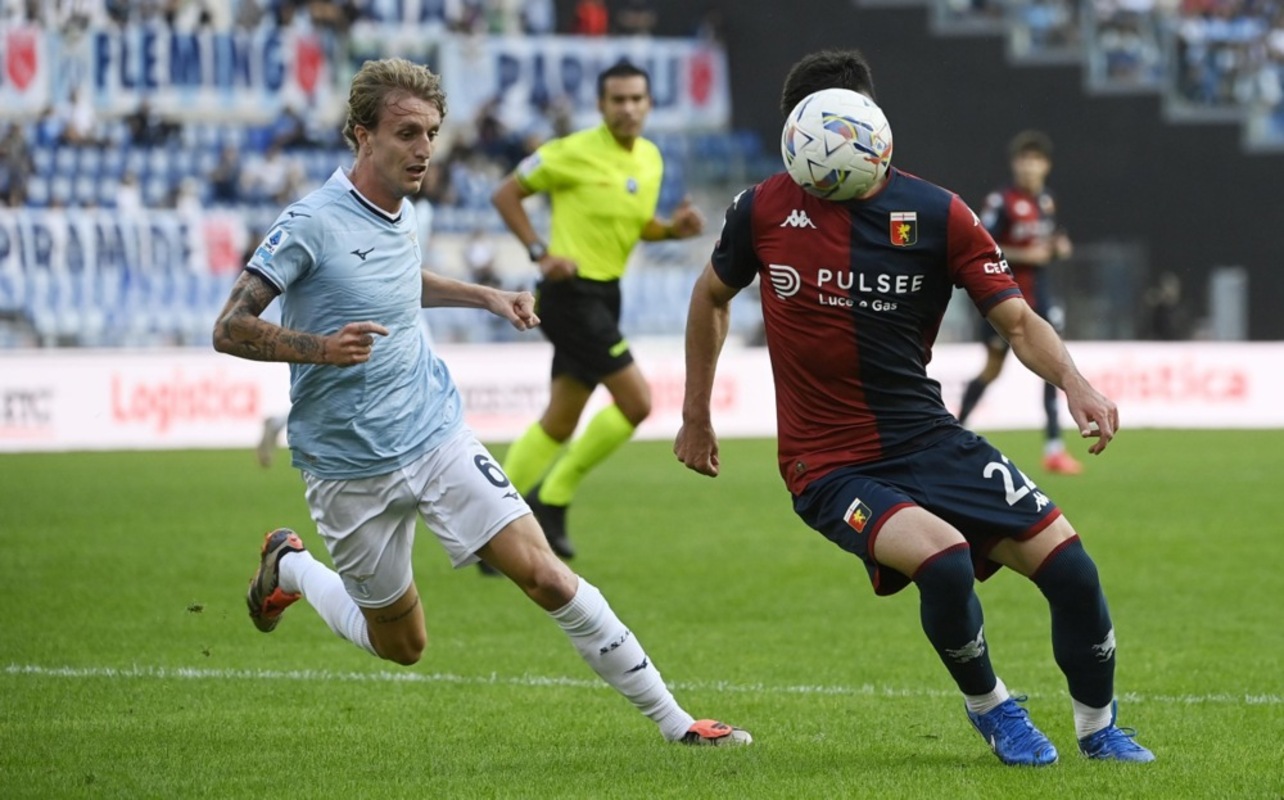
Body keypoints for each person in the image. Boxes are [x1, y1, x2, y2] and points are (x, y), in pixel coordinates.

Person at [213, 57, 749, 748]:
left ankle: (680, 725)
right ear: (361, 135)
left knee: (545, 575)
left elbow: (402, 281)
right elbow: (229, 328)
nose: (425, 149)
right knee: (403, 645)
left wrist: (484, 296)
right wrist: (322, 348)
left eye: (432, 132)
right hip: (347, 466)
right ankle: (289, 566)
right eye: (407, 133)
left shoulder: (404, 212)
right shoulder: (311, 222)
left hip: (435, 434)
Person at [675, 49, 1152, 766]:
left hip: (931, 440)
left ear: (873, 123)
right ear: (797, 132)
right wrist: (695, 414)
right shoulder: (763, 209)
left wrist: (1076, 385)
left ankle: (1099, 728)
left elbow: (1017, 321)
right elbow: (711, 296)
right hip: (829, 462)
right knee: (945, 559)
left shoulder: (937, 214)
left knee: (1073, 572)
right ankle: (993, 708)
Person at [489, 61, 705, 567]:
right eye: (618, 100)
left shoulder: (650, 159)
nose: (628, 108)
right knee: (637, 402)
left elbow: (636, 226)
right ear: (601, 105)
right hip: (569, 293)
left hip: (606, 294)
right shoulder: (570, 152)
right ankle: (551, 499)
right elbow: (506, 193)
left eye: (637, 99)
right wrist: (541, 251)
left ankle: (493, 525)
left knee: (560, 421)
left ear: (649, 104)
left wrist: (673, 230)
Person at [956, 130, 1081, 475]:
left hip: (1039, 296)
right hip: (1004, 299)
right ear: (1015, 165)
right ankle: (956, 427)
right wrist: (1027, 253)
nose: (1029, 167)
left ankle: (1054, 448)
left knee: (1053, 368)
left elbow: (1051, 241)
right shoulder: (1002, 201)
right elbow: (981, 242)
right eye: (1023, 160)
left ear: (1046, 166)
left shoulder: (1047, 201)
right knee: (993, 368)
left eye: (1035, 160)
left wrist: (1058, 248)